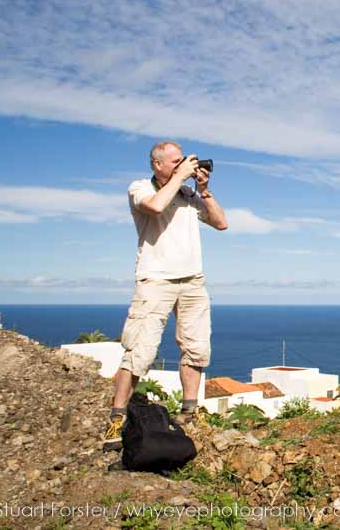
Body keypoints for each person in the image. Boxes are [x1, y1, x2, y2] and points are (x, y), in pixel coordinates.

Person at [103, 141, 228, 451]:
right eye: (175, 161)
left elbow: (221, 223)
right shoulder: (140, 188)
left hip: (192, 280)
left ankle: (189, 411)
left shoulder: (187, 194)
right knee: (139, 351)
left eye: (182, 160)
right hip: (155, 280)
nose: (181, 165)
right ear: (157, 164)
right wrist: (179, 177)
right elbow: (156, 206)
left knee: (196, 347)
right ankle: (117, 417)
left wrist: (204, 190)